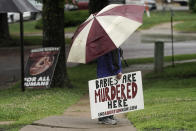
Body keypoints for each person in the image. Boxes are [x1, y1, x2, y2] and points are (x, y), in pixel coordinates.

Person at [97, 48, 122, 125]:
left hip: (102, 71)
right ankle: (105, 117)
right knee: (109, 95)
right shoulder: (112, 44)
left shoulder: (102, 43)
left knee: (104, 95)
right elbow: (114, 58)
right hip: (109, 72)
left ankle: (106, 116)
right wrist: (117, 71)